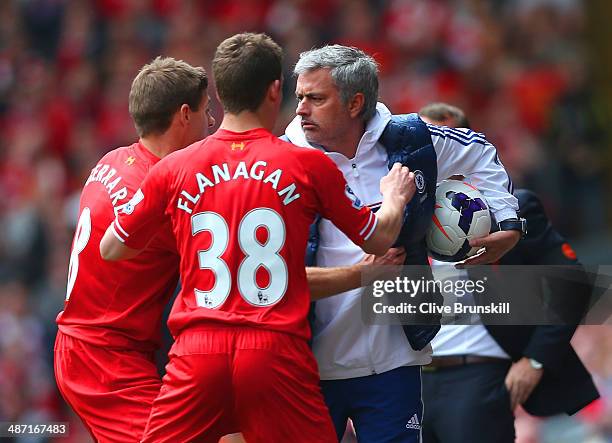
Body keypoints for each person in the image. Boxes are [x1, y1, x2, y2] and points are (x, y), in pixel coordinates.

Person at [99, 33, 415, 443]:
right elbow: (378, 239)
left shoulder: (174, 168)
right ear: (275, 89)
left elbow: (113, 247)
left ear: (219, 91)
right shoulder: (307, 164)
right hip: (275, 350)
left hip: (197, 351)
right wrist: (393, 198)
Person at [283, 45, 523, 442]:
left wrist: (510, 223)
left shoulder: (412, 140)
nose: (301, 109)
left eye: (316, 98)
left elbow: (481, 152)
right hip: (310, 365)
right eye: (300, 97)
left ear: (355, 102)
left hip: (395, 362)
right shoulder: (284, 157)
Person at [54, 57, 214, 442]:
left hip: (85, 347)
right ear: (184, 115)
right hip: (106, 362)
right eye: (207, 112)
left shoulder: (111, 160)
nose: (212, 123)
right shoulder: (164, 199)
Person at [419, 102, 599, 443]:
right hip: (408, 378)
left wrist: (535, 359)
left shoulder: (514, 208)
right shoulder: (399, 213)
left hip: (477, 375)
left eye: (438, 138)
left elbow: (572, 282)